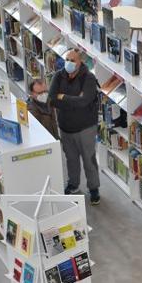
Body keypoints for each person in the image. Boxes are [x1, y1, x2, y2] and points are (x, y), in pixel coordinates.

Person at [48, 47, 101, 205]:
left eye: (73, 60)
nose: (69, 63)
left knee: (89, 160)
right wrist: (73, 100)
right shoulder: (58, 75)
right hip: (65, 127)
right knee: (71, 160)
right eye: (67, 59)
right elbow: (52, 99)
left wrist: (63, 97)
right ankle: (73, 184)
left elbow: (85, 101)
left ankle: (93, 189)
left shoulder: (89, 79)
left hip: (86, 128)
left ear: (80, 62)